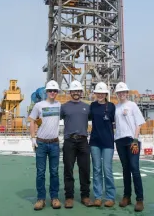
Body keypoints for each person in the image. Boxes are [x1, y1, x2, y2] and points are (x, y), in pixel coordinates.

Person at [29, 80, 61, 211]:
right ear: (46, 92)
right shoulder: (39, 105)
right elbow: (32, 121)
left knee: (54, 172)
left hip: (54, 143)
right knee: (40, 172)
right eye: (50, 91)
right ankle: (40, 199)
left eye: (54, 91)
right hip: (41, 143)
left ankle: (54, 198)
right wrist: (32, 137)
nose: (52, 93)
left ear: (57, 92)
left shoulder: (59, 105)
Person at [60, 80, 93, 208]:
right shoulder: (64, 107)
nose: (76, 93)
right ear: (70, 92)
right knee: (68, 170)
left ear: (81, 92)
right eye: (74, 91)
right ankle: (69, 197)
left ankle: (85, 196)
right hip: (69, 141)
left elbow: (91, 118)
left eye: (78, 91)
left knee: (85, 169)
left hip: (83, 141)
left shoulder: (87, 107)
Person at [114, 82, 146, 212]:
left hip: (132, 140)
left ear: (127, 93)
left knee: (134, 168)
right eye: (119, 92)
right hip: (120, 141)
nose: (121, 94)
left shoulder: (132, 105)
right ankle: (127, 196)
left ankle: (139, 199)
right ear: (117, 94)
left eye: (123, 92)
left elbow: (139, 123)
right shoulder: (116, 108)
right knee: (125, 169)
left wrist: (135, 139)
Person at [89, 82, 116, 207]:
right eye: (98, 93)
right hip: (95, 142)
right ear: (95, 94)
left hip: (108, 142)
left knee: (107, 169)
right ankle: (98, 196)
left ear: (106, 94)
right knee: (97, 169)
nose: (100, 95)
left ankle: (110, 197)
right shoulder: (92, 106)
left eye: (102, 93)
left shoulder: (111, 106)